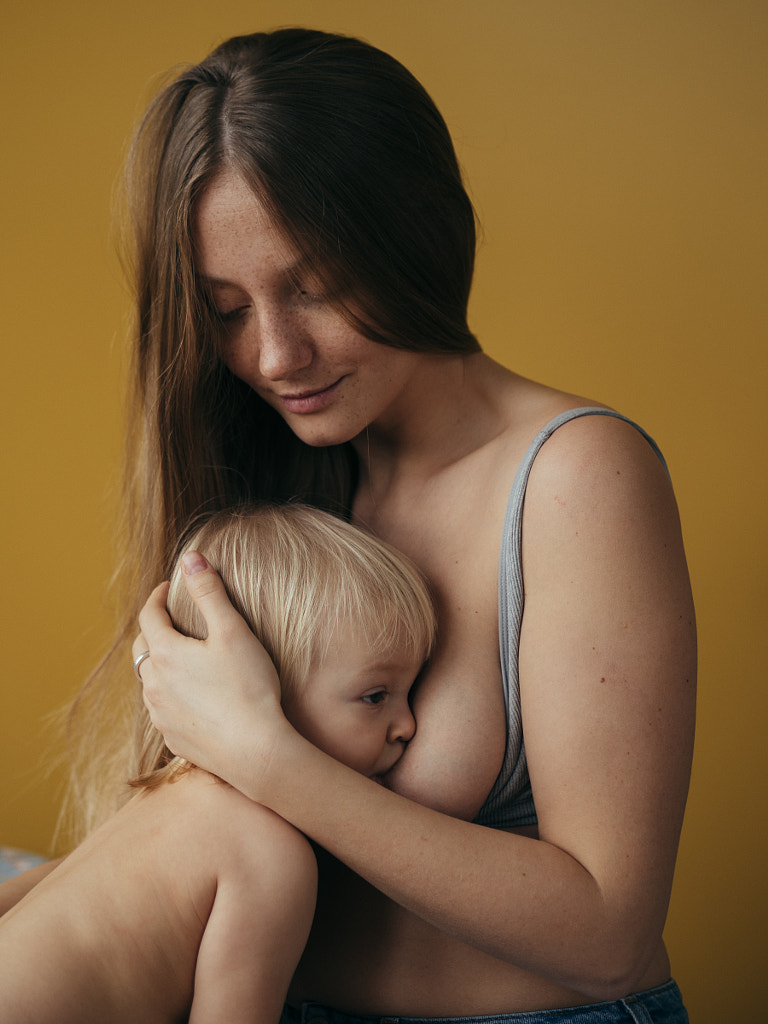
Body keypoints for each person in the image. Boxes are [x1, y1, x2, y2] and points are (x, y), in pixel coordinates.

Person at [8, 26, 696, 1023]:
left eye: (314, 287)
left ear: (412, 237)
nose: (277, 355)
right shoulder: (278, 474)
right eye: (228, 311)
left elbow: (610, 934)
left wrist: (264, 755)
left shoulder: (575, 476)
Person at [0, 504, 436, 1023]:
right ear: (261, 686)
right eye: (376, 695)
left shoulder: (163, 793)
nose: (409, 724)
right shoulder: (271, 852)